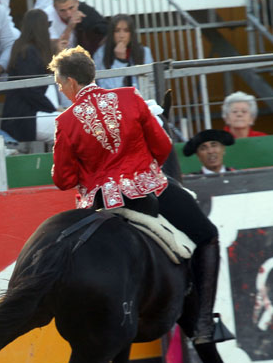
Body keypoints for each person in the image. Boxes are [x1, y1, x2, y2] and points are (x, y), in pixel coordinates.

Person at [50, 46, 221, 346]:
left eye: (60, 84)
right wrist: (143, 168)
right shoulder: (130, 97)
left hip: (100, 204)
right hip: (147, 192)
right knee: (208, 235)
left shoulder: (65, 121)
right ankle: (205, 321)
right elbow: (162, 147)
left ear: (72, 82)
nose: (61, 90)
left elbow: (63, 180)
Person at [2, 9, 59, 144]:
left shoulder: (25, 48)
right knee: (74, 125)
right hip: (23, 118)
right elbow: (30, 90)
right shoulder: (28, 52)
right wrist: (53, 109)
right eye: (47, 25)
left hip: (28, 115)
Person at [92, 14, 152, 90]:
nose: (121, 35)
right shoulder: (101, 54)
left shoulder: (144, 52)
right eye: (117, 31)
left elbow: (151, 84)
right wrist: (119, 61)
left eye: (126, 31)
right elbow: (107, 88)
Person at [35, 0, 106, 55]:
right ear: (54, 7)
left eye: (71, 8)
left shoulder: (85, 10)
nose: (68, 14)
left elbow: (105, 30)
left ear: (77, 3)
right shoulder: (47, 17)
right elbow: (56, 50)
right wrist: (70, 27)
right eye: (62, 10)